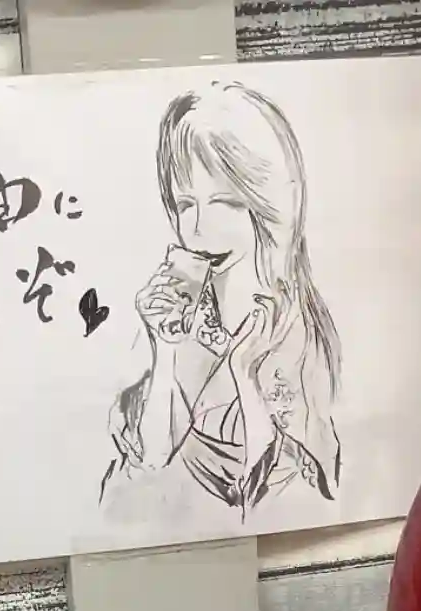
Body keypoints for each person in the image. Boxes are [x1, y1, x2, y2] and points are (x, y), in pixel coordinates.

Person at [105, 81, 342, 520]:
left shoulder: (291, 326)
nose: (197, 228)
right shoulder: (184, 310)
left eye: (224, 203)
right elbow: (151, 456)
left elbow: (286, 493)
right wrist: (164, 349)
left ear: (264, 204)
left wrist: (244, 373)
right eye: (185, 204)